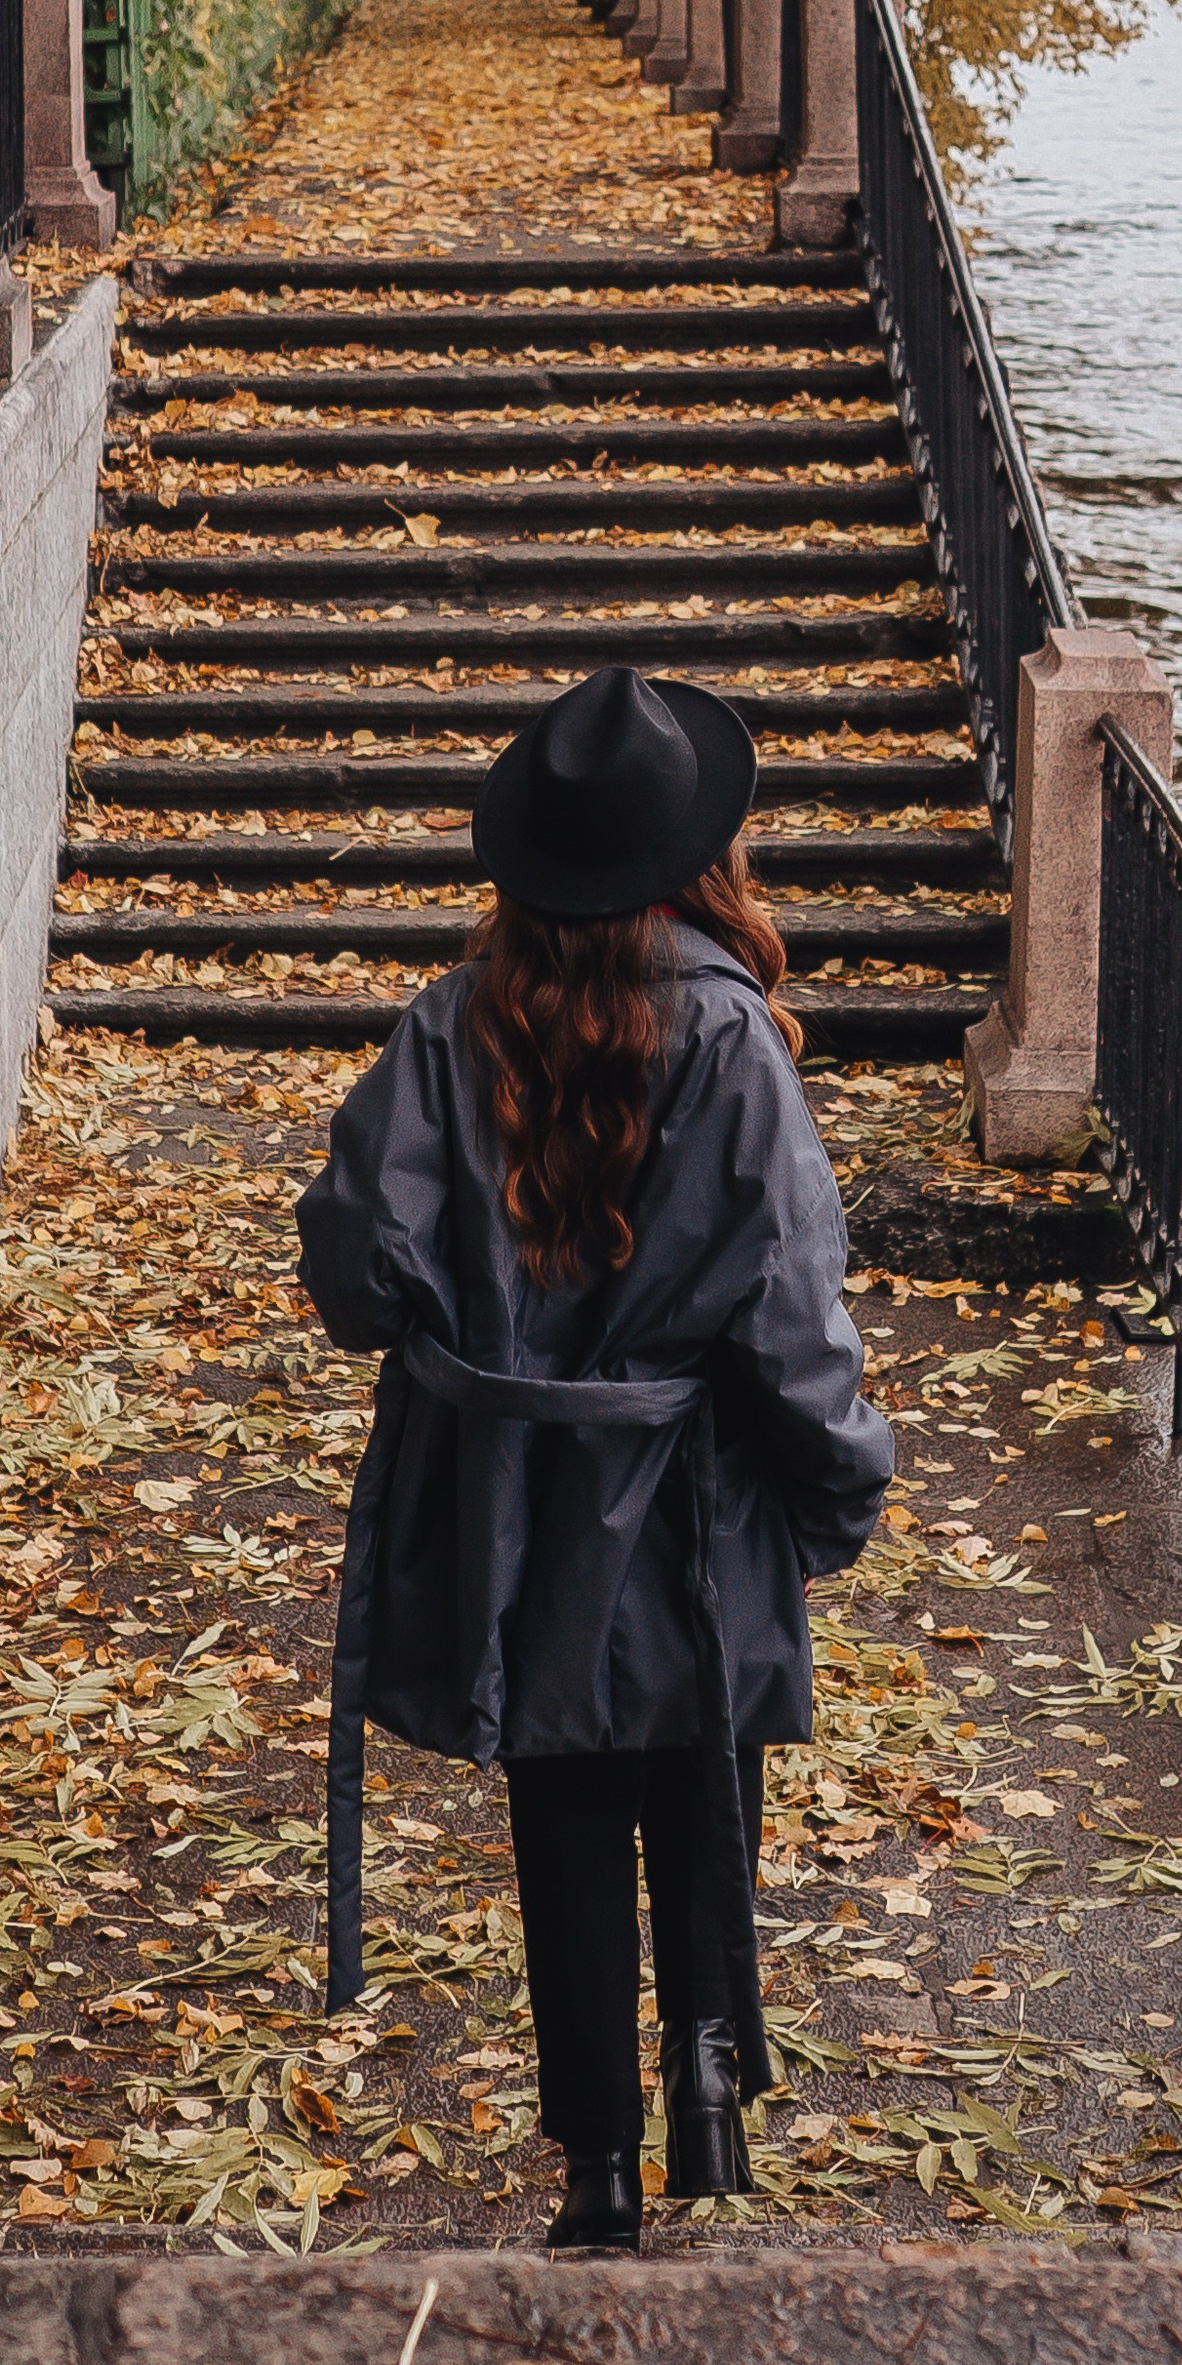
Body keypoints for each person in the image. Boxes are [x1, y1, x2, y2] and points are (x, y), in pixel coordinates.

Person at [296, 663, 893, 2253]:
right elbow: (789, 1303)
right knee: (702, 1774)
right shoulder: (731, 1038)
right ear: (703, 860)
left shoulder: (448, 1026)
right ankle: (707, 2101)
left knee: (562, 1818)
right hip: (698, 1496)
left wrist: (469, 1351)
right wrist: (842, 1481)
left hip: (518, 1512)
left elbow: (353, 1267)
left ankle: (599, 2177)